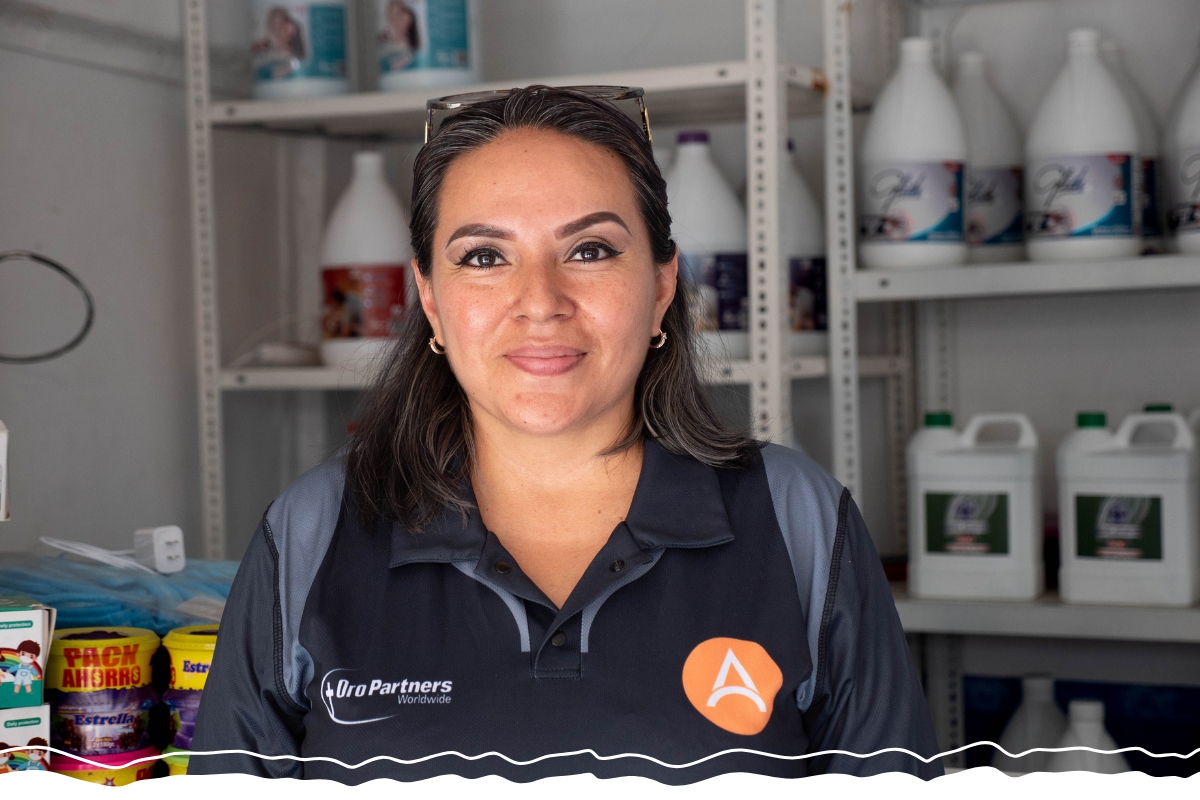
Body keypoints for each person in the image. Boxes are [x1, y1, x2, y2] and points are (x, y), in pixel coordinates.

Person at [189, 86, 941, 783]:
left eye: (590, 250)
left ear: (661, 288)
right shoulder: (315, 529)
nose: (540, 301)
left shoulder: (795, 518)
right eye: (484, 257)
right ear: (431, 301)